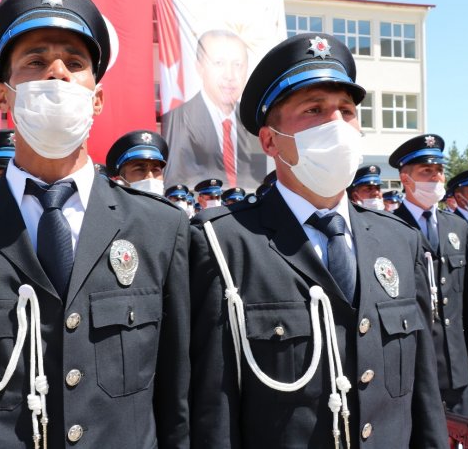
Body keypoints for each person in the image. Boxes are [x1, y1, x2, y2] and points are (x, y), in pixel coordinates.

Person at [0, 0, 191, 449]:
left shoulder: (162, 229)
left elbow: (176, 405)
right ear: (3, 96)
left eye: (75, 64)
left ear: (97, 98)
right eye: (36, 62)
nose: (56, 74)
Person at [190, 33, 448, 447]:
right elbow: (213, 409)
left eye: (347, 111)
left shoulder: (400, 242)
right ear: (271, 140)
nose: (337, 125)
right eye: (314, 110)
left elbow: (423, 397)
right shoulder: (223, 243)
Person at [390, 135, 468, 415]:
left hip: (457, 369)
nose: (436, 178)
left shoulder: (458, 227)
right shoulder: (388, 227)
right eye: (426, 171)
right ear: (405, 178)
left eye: (439, 171)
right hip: (411, 371)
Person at [162, 30, 265, 190]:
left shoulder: (254, 121)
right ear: (200, 68)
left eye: (237, 65)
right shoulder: (178, 119)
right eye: (219, 63)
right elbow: (174, 182)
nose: (229, 75)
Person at [106, 130, 168, 195]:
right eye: (140, 169)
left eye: (155, 170)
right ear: (121, 180)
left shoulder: (169, 205)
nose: (150, 177)